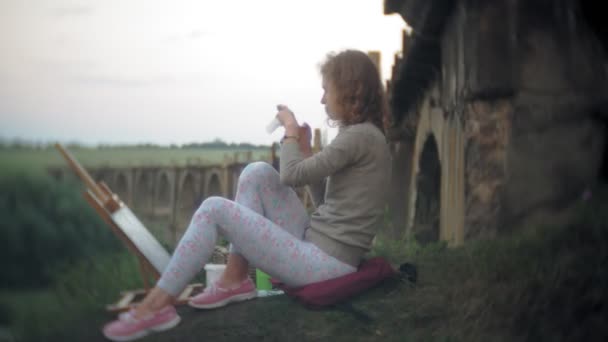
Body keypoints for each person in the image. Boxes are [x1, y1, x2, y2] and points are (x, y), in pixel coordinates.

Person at [102, 49, 391, 341]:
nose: (322, 98)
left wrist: (290, 131)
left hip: (326, 265)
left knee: (213, 209)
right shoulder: (360, 135)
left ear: (348, 90)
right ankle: (235, 279)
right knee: (257, 172)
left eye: (326, 89)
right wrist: (305, 153)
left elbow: (290, 175)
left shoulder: (358, 137)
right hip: (321, 248)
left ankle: (155, 307)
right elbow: (326, 205)